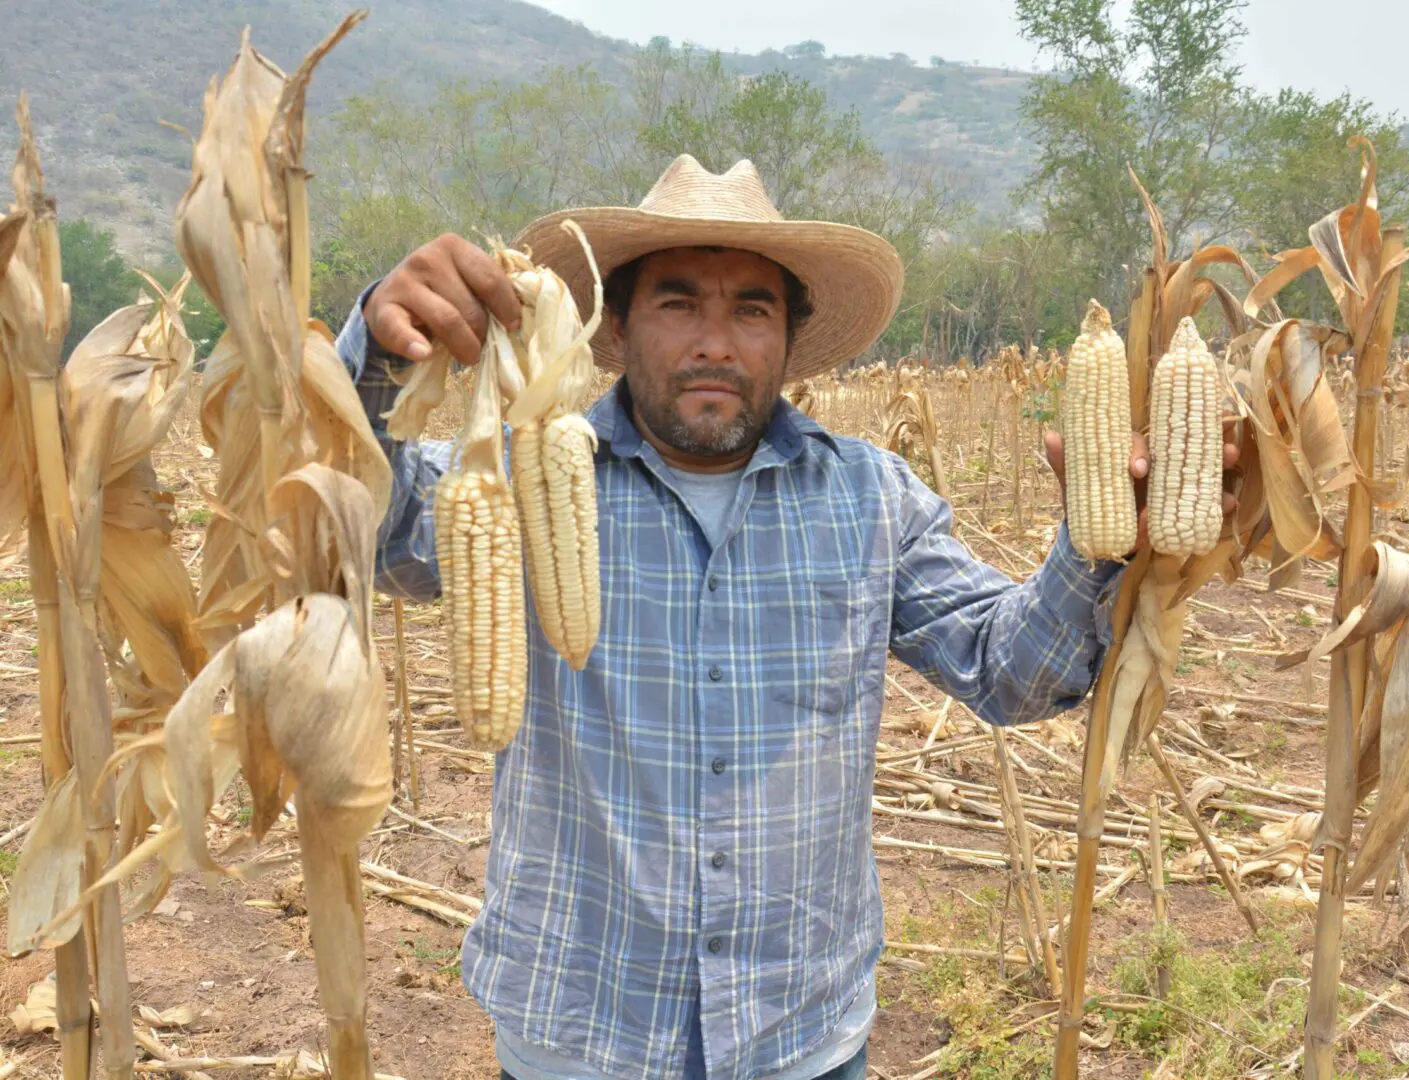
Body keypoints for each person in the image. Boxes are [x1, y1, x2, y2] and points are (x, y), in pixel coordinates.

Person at [336, 154, 1237, 1080]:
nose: (714, 343)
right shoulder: (515, 482)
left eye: (751, 310)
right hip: (582, 1024)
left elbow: (1009, 671)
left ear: (789, 339)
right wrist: (371, 353)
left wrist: (1100, 543)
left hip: (798, 1033)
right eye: (678, 303)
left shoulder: (869, 497)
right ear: (619, 329)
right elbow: (365, 525)